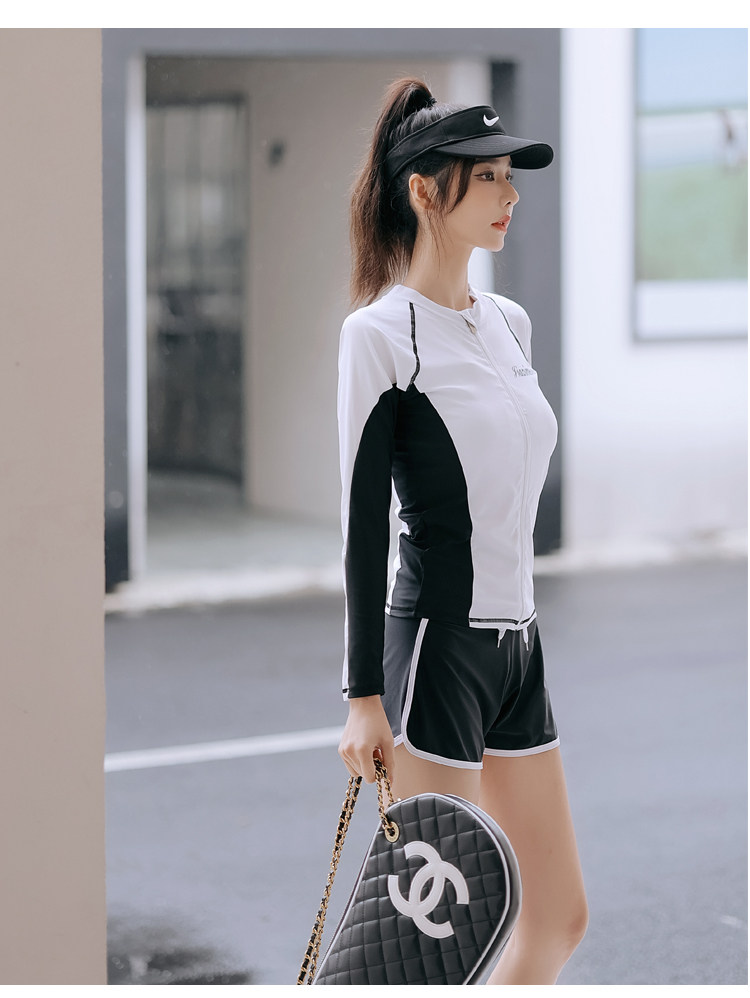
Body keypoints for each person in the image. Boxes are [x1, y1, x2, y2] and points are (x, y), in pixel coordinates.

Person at [336, 77, 588, 986]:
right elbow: (362, 526)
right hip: (437, 653)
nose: (509, 193)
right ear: (423, 190)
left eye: (510, 175)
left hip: (518, 650)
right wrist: (364, 694)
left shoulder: (509, 323)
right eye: (487, 177)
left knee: (557, 916)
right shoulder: (380, 334)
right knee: (422, 956)